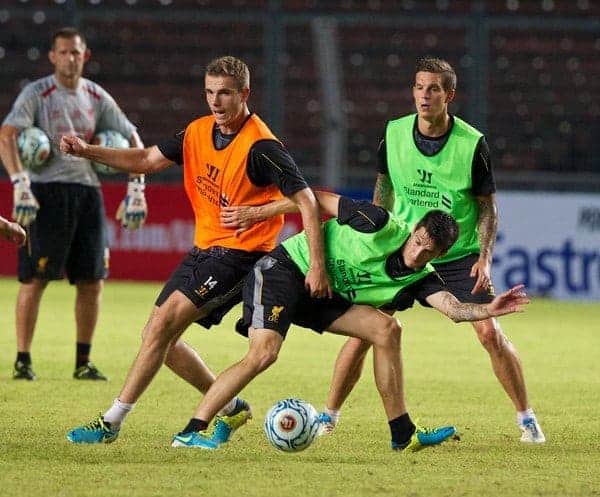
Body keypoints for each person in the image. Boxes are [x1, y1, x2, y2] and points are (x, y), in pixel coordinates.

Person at [60, 55, 330, 445]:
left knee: (160, 328)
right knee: (160, 340)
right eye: (209, 93)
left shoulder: (262, 147)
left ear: (244, 93)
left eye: (224, 94)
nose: (215, 102)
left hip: (241, 256)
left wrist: (315, 265)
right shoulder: (197, 131)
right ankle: (230, 407)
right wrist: (87, 151)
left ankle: (111, 422)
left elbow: (306, 199)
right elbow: (147, 159)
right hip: (205, 250)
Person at [166, 191, 529, 451]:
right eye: (418, 240)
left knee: (386, 329)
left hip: (322, 296)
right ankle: (192, 429)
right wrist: (259, 214)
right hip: (287, 270)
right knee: (264, 353)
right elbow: (312, 198)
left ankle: (402, 433)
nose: (418, 251)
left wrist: (487, 309)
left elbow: (452, 308)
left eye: (428, 251)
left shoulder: (422, 278)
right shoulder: (379, 222)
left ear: (441, 254)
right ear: (415, 229)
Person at [318, 57, 545, 443]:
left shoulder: (472, 144)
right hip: (405, 249)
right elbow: (383, 187)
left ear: (449, 95)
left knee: (489, 333)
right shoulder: (393, 133)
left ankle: (526, 419)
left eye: (434, 88)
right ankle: (328, 416)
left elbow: (487, 205)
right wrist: (377, 237)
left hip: (457, 255)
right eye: (419, 86)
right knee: (364, 332)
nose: (424, 94)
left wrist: (485, 258)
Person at [0, 27, 148, 382]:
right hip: (46, 193)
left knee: (92, 280)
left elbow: (132, 138)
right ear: (52, 56)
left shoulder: (96, 96)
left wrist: (137, 187)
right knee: (35, 277)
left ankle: (83, 361)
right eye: (63, 52)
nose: (70, 58)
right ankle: (23, 360)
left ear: (85, 55)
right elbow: (8, 135)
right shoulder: (37, 93)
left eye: (75, 52)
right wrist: (20, 183)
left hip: (87, 193)